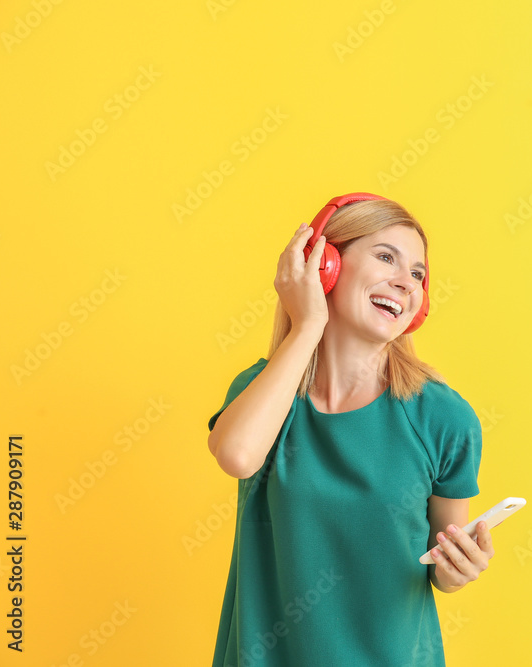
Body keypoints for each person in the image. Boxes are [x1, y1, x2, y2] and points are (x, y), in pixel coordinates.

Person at [206, 195, 494, 666]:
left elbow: (441, 561)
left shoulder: (442, 417)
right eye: (386, 257)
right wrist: (307, 325)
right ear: (326, 267)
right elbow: (237, 456)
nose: (406, 282)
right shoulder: (264, 392)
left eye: (418, 274)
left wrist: (458, 571)